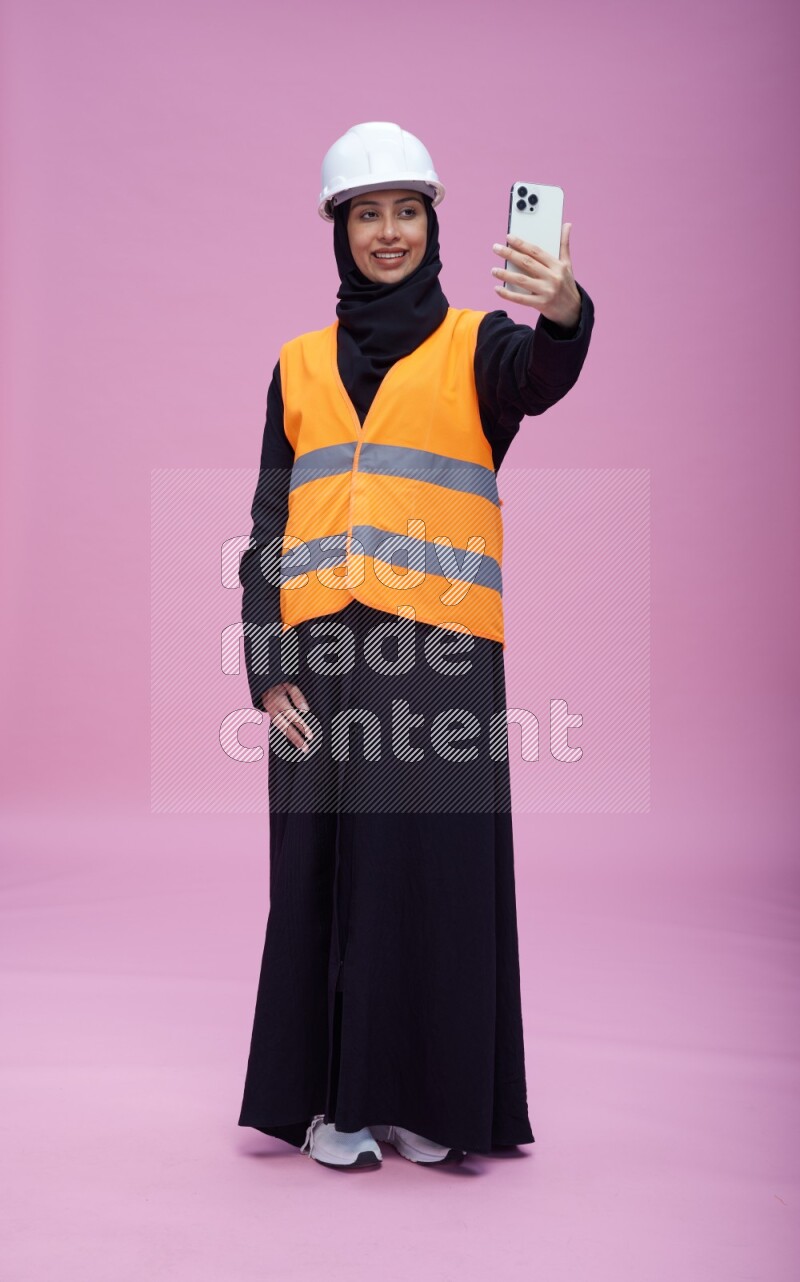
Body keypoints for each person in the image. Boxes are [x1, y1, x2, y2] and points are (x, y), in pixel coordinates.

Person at [237, 122, 595, 1171]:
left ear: (431, 223)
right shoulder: (296, 366)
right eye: (365, 213)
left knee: (430, 874)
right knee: (323, 875)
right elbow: (266, 528)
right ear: (338, 230)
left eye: (405, 211)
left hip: (436, 658)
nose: (386, 232)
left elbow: (541, 373)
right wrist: (268, 667)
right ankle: (334, 1103)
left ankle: (436, 1097)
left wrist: (563, 306)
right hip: (317, 661)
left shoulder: (479, 345)